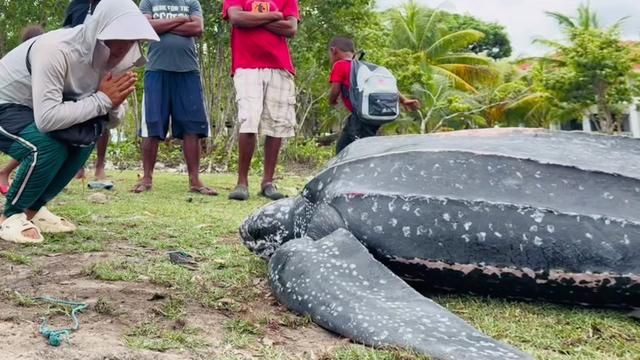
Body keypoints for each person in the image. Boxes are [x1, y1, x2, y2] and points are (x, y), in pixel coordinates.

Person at [0, 0, 158, 243]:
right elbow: (48, 119)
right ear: (99, 33)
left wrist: (113, 103)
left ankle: (34, 210)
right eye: (119, 40)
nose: (124, 49)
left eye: (131, 41)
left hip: (36, 108)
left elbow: (111, 121)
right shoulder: (56, 49)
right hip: (7, 103)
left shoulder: (117, 60)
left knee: (87, 135)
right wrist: (104, 99)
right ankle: (10, 216)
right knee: (47, 144)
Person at [135, 0, 215, 195]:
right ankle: (146, 178)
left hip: (188, 71)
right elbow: (145, 27)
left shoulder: (191, 1)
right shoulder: (148, 1)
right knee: (152, 125)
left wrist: (162, 26)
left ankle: (195, 180)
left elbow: (197, 27)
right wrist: (181, 20)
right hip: (156, 70)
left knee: (192, 126)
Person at [223, 0, 300, 201]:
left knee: (276, 124)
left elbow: (291, 28)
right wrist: (275, 16)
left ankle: (268, 182)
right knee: (249, 119)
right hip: (246, 65)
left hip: (280, 66)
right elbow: (237, 18)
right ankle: (242, 182)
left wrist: (253, 20)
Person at [329, 37, 421, 154]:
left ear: (334, 50)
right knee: (348, 146)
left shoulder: (340, 65)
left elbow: (335, 90)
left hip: (361, 118)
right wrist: (404, 100)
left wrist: (332, 100)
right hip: (372, 115)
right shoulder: (364, 67)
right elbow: (383, 87)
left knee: (348, 150)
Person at [0, 25, 46, 195]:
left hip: (20, 108)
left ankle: (5, 173)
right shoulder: (20, 61)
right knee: (38, 142)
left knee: (36, 141)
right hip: (8, 108)